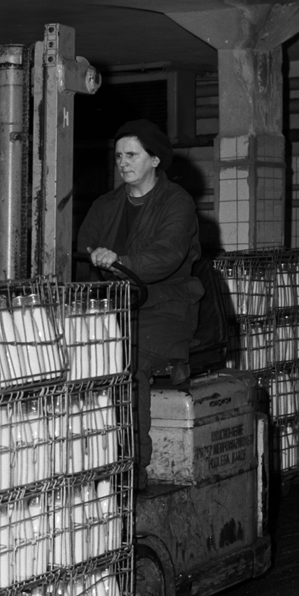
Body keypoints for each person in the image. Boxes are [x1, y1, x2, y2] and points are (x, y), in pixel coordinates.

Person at [76, 119, 203, 484]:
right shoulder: (106, 205)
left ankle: (133, 467)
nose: (123, 162)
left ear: (155, 160)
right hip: (116, 307)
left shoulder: (177, 204)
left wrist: (121, 262)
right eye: (118, 156)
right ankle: (92, 459)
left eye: (132, 155)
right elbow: (84, 251)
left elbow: (166, 254)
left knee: (128, 361)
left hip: (165, 307)